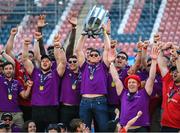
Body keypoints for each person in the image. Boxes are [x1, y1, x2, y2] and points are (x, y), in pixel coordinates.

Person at [109, 46, 159, 131]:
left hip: (141, 129)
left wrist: (154, 61)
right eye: (129, 82)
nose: (131, 84)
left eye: (133, 82)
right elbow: (116, 78)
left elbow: (151, 77)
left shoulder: (144, 93)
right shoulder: (123, 93)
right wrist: (111, 62)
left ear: (138, 84)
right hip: (125, 129)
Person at [22, 36, 65, 131]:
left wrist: (60, 48)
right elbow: (25, 60)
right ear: (40, 63)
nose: (45, 62)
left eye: (47, 61)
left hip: (51, 109)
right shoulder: (35, 72)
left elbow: (62, 62)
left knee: (53, 131)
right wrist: (25, 45)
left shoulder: (55, 74)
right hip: (36, 109)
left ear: (51, 63)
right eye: (43, 61)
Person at [75, 23, 111, 131]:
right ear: (88, 57)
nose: (94, 56)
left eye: (96, 55)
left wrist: (105, 33)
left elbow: (107, 49)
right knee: (84, 129)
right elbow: (78, 50)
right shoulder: (84, 65)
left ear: (100, 57)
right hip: (85, 101)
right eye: (92, 55)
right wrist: (83, 34)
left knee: (104, 128)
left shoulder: (103, 66)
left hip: (100, 100)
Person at [0, 60, 33, 128]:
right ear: (2, 71)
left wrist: (29, 87)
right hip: (2, 113)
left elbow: (24, 96)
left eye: (10, 68)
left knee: (21, 131)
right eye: (6, 69)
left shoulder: (17, 82)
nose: (8, 70)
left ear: (13, 70)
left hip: (17, 114)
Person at [157, 42, 180, 131]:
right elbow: (161, 64)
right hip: (165, 125)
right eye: (173, 72)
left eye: (176, 72)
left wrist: (177, 55)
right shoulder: (168, 80)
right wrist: (161, 49)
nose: (174, 74)